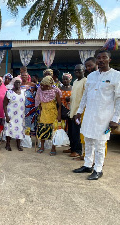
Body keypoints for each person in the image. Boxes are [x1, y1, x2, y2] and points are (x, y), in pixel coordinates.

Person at [73, 50, 120, 180]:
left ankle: (98, 169)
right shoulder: (92, 76)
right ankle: (88, 164)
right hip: (89, 114)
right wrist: (79, 111)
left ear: (109, 60)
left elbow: (118, 99)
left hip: (104, 117)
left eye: (104, 57)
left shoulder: (116, 76)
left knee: (100, 143)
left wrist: (116, 119)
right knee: (88, 140)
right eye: (98, 58)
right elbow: (85, 95)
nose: (101, 60)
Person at [35, 76, 62, 156]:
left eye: (43, 85)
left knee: (53, 131)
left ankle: (53, 148)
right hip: (43, 114)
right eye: (41, 85)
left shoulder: (55, 92)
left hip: (53, 114)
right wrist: (40, 112)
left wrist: (59, 115)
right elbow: (39, 104)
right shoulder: (40, 92)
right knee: (42, 129)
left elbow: (59, 105)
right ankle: (42, 147)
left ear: (49, 85)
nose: (41, 87)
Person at [65, 64, 86, 159]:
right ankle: (72, 148)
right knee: (72, 132)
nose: (77, 72)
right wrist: (70, 98)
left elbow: (85, 98)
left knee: (77, 133)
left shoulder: (85, 81)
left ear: (84, 70)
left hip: (78, 112)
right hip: (72, 111)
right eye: (76, 70)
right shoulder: (75, 82)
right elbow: (76, 95)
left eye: (79, 70)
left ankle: (77, 151)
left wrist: (78, 112)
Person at [3, 77, 26, 151]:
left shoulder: (23, 92)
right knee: (9, 129)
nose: (18, 84)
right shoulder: (9, 92)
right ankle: (8, 144)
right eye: (17, 82)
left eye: (19, 82)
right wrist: (6, 115)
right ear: (13, 83)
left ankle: (18, 145)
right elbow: (4, 104)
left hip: (20, 115)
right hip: (11, 114)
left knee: (19, 129)